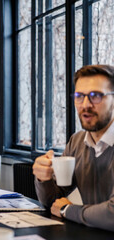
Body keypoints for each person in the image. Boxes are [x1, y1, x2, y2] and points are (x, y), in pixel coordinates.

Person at [33, 64, 114, 231]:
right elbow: (53, 201)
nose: (85, 104)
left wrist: (67, 209)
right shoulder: (76, 141)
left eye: (96, 96)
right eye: (79, 96)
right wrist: (44, 179)